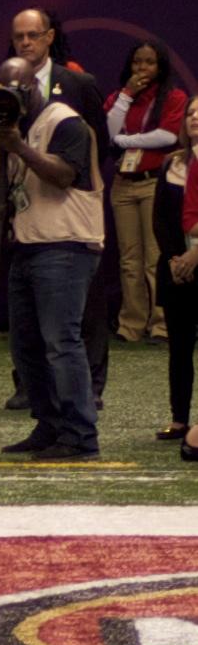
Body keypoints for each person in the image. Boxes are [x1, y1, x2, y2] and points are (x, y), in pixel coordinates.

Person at [0, 53, 105, 460]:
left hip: (66, 243)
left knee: (61, 341)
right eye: (2, 90)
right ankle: (49, 424)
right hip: (28, 243)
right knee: (26, 345)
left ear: (35, 88)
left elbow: (65, 175)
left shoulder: (65, 122)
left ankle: (79, 433)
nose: (10, 97)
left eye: (16, 89)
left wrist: (17, 146)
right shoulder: (12, 125)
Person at [106, 38, 186, 342]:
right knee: (129, 260)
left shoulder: (174, 97)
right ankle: (131, 324)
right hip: (123, 183)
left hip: (154, 183)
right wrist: (126, 95)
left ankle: (162, 324)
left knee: (155, 257)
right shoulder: (120, 96)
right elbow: (108, 130)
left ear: (160, 66)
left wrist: (125, 141)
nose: (142, 68)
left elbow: (167, 136)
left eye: (149, 62)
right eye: (137, 62)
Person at [153, 104, 198, 445]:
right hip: (176, 270)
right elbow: (160, 219)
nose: (195, 117)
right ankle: (179, 418)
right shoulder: (171, 163)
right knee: (179, 347)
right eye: (191, 113)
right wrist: (175, 260)